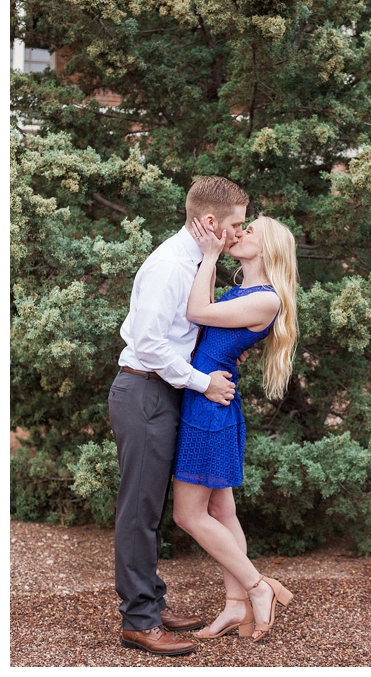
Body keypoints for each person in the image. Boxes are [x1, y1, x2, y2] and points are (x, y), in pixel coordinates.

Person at [109, 176, 249, 656]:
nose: (239, 232)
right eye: (237, 224)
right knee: (139, 511)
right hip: (144, 391)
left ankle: (151, 603)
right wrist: (202, 381)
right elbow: (148, 343)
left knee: (149, 510)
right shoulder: (171, 265)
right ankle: (139, 622)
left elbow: (186, 329)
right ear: (210, 222)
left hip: (163, 392)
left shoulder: (195, 260)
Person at [171, 214, 297, 643]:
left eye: (250, 230)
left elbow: (196, 311)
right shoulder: (244, 290)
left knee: (188, 514)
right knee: (222, 512)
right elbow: (212, 338)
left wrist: (208, 255)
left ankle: (259, 587)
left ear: (268, 249)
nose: (240, 233)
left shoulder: (267, 298)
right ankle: (235, 607)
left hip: (210, 410)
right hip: (206, 397)